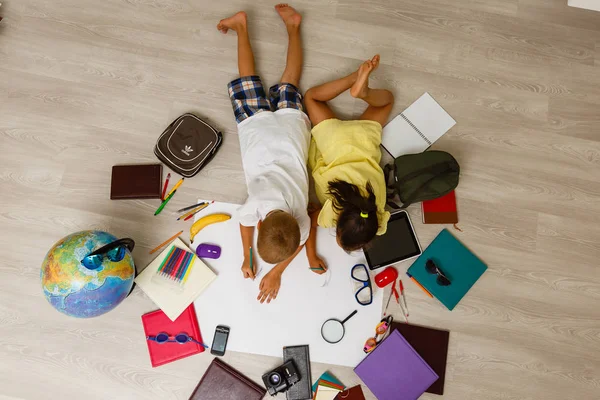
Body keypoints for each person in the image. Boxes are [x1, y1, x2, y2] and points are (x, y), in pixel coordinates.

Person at [217, 4, 325, 304]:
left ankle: (292, 26)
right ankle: (240, 26)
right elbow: (244, 222)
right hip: (258, 131)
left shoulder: (301, 220)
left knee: (290, 79)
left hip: (291, 130)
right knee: (247, 77)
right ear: (262, 223)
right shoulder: (259, 206)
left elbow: (298, 244)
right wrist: (248, 255)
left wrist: (277, 270)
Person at [304, 55, 393, 257]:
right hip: (334, 139)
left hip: (363, 140)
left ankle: (364, 91)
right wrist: (312, 256)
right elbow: (312, 217)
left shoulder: (379, 218)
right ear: (338, 225)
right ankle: (354, 79)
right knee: (310, 97)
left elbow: (379, 228)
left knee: (386, 101)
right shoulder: (330, 215)